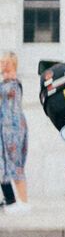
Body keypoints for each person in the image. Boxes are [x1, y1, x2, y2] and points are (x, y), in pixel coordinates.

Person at [0, 52, 25, 213]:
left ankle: (13, 200)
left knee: (8, 165)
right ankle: (10, 199)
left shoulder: (11, 83)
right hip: (6, 127)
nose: (1, 64)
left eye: (3, 62)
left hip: (10, 129)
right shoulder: (7, 82)